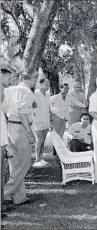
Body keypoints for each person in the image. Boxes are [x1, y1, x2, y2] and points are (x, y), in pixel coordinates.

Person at [3, 71, 38, 206]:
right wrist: (30, 132)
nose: (36, 80)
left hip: (11, 127)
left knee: (15, 165)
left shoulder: (9, 90)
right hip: (21, 129)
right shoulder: (27, 91)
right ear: (31, 79)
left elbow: (4, 110)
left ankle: (19, 197)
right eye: (35, 77)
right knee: (23, 165)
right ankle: (4, 193)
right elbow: (23, 113)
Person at [1, 68, 17, 217]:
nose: (10, 81)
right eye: (8, 78)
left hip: (2, 141)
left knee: (1, 174)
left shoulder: (3, 96)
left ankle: (1, 205)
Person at [32, 77, 51, 168]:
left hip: (46, 120)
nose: (48, 86)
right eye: (46, 84)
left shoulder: (48, 94)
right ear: (41, 84)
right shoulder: (35, 94)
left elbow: (48, 108)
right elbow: (31, 106)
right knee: (39, 140)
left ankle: (41, 158)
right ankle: (37, 160)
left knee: (43, 141)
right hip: (38, 120)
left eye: (48, 84)